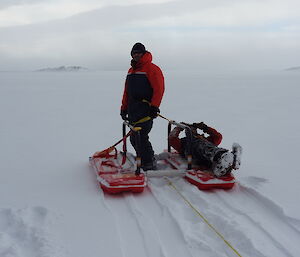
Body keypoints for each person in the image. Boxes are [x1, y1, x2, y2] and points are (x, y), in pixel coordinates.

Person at [120, 43, 165, 170]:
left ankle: (149, 161)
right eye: (134, 53)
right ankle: (144, 159)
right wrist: (124, 108)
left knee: (141, 137)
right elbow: (126, 92)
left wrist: (154, 107)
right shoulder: (131, 71)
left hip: (146, 110)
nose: (137, 55)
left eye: (139, 52)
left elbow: (159, 89)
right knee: (134, 138)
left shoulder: (152, 69)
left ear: (144, 53)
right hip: (133, 110)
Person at [168, 122, 242, 177]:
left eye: (194, 129)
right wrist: (178, 127)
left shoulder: (205, 139)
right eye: (190, 130)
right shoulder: (183, 142)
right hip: (193, 154)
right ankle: (223, 159)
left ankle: (228, 162)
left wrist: (205, 128)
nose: (193, 131)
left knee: (211, 147)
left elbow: (218, 137)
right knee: (202, 147)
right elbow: (171, 139)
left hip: (210, 155)